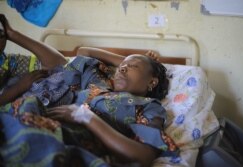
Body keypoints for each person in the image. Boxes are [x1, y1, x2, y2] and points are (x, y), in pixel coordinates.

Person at [0, 14, 179, 167]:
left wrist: (85, 117)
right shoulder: (99, 84)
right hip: (31, 113)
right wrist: (126, 61)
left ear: (152, 82)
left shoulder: (150, 107)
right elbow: (83, 53)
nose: (122, 68)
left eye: (133, 66)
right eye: (121, 66)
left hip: (66, 136)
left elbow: (144, 156)